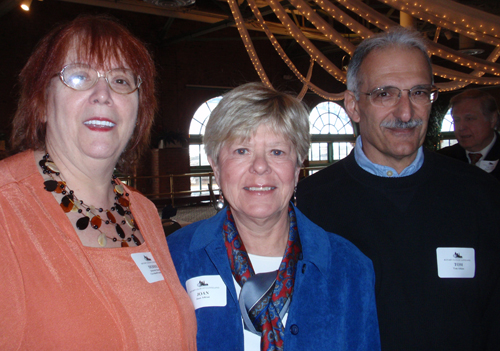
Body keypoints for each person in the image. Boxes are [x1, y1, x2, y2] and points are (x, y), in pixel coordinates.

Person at [296, 28, 500, 351]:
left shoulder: (481, 195)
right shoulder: (311, 204)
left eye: (418, 93)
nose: (406, 113)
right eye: (385, 94)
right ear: (353, 106)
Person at [0, 15, 196, 350]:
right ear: (42, 102)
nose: (103, 94)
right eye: (79, 76)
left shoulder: (143, 211)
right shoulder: (7, 210)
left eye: (121, 81)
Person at [167, 82, 380, 351]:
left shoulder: (349, 268)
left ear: (299, 164)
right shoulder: (173, 259)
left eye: (277, 152)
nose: (260, 167)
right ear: (215, 165)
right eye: (241, 151)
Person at [438, 89, 500, 179]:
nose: (461, 127)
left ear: (492, 119)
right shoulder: (442, 159)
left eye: (469, 119)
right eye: (456, 120)